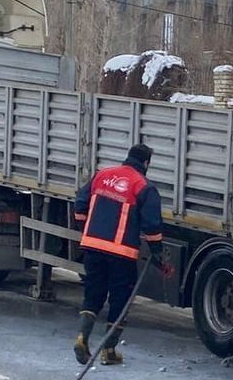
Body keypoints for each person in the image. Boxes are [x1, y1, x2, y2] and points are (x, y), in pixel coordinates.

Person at [72, 144, 170, 366]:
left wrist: (87, 229)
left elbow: (79, 205)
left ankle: (82, 337)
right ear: (146, 163)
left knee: (93, 293)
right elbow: (152, 227)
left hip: (92, 248)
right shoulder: (143, 186)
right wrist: (157, 254)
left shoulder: (102, 175)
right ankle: (108, 350)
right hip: (121, 253)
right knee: (120, 300)